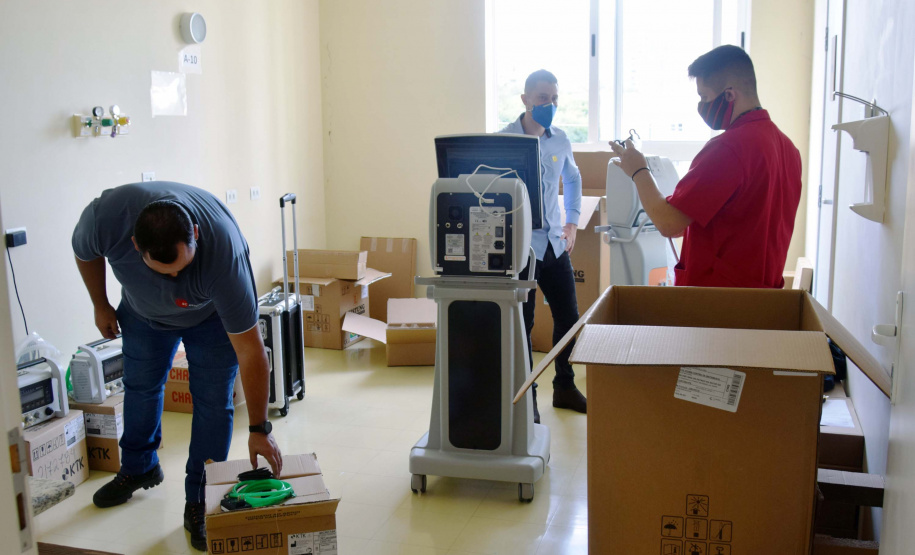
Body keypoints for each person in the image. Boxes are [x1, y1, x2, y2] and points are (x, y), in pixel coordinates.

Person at [72, 182, 282, 552]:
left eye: (182, 268)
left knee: (213, 404)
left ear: (196, 235)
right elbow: (83, 251)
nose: (175, 281)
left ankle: (199, 499)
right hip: (141, 315)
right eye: (164, 272)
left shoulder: (224, 253)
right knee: (139, 387)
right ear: (136, 245)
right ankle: (138, 468)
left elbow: (251, 351)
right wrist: (100, 303)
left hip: (211, 320)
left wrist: (259, 428)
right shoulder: (106, 218)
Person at [610, 45, 802, 289]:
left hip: (720, 302)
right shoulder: (788, 149)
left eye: (704, 97)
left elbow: (669, 224)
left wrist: (638, 170)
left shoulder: (729, 148)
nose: (701, 105)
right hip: (763, 298)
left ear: (729, 95)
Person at [500, 69, 587, 423]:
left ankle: (564, 386)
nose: (549, 104)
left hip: (554, 245)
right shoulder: (503, 140)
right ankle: (528, 398)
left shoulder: (560, 139)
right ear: (524, 100)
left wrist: (572, 221)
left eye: (553, 98)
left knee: (569, 317)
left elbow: (574, 177)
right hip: (521, 249)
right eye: (541, 98)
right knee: (524, 323)